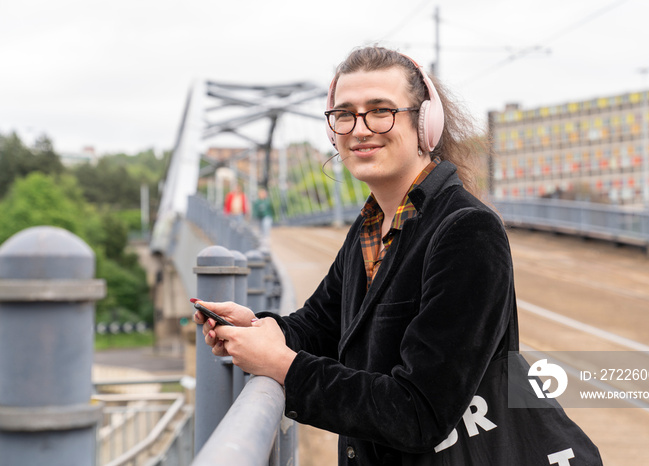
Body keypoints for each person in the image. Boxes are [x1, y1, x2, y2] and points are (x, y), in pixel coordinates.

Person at [194, 47, 599, 465]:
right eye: (345, 114)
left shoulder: (467, 231)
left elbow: (418, 414)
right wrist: (261, 328)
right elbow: (321, 325)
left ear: (425, 123)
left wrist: (286, 368)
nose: (360, 128)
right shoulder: (370, 227)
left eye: (380, 110)